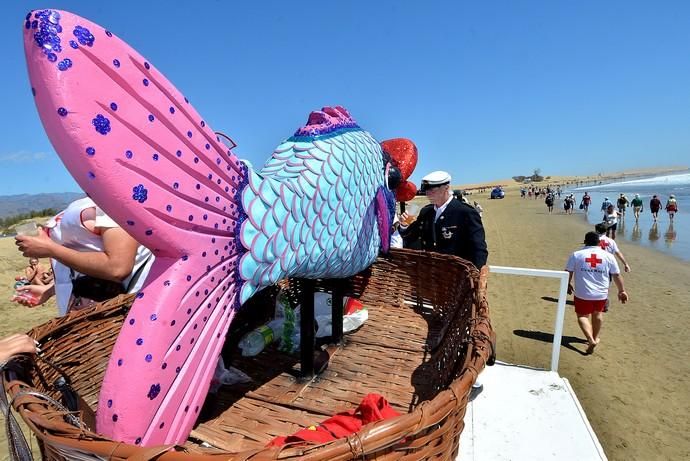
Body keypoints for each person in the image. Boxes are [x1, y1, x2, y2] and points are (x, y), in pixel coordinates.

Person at [14, 197, 154, 316]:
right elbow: (84, 270)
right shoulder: (85, 207)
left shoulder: (110, 203)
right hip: (91, 325)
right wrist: (50, 290)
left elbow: (118, 268)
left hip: (121, 317)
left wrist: (51, 249)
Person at [399, 171, 488, 270]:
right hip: (430, 274)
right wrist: (404, 225)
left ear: (446, 188)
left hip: (456, 275)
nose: (428, 194)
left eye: (432, 190)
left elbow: (479, 249)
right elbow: (411, 237)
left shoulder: (465, 213)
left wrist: (475, 276)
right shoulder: (426, 212)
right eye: (426, 190)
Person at [565, 232, 628, 354]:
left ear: (585, 242)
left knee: (582, 316)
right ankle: (594, 337)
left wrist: (567, 284)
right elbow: (616, 275)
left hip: (582, 293)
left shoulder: (576, 255)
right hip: (601, 294)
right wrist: (622, 290)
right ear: (599, 243)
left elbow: (568, 272)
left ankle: (590, 340)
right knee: (598, 314)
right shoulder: (608, 256)